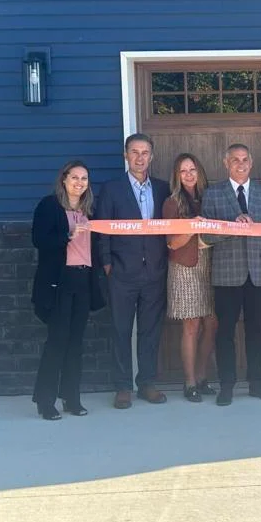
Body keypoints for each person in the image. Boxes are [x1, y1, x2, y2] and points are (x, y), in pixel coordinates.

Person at [201, 143, 261, 406]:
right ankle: (227, 384)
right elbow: (205, 235)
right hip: (227, 274)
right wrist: (230, 228)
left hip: (258, 274)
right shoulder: (212, 194)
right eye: (235, 160)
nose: (240, 164)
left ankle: (257, 382)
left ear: (251, 162)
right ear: (226, 163)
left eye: (245, 159)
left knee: (256, 330)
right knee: (225, 332)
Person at [95, 133, 170, 409]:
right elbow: (102, 228)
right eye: (134, 152)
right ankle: (122, 386)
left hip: (154, 271)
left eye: (145, 152)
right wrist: (106, 262)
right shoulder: (112, 189)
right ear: (126, 155)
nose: (140, 158)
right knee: (120, 329)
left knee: (150, 331)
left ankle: (147, 382)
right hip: (121, 272)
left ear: (152, 156)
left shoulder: (163, 188)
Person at [30, 160, 105, 420]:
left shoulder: (89, 210)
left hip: (83, 281)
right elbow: (39, 240)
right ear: (64, 179)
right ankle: (45, 401)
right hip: (59, 283)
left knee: (76, 344)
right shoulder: (50, 206)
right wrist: (69, 234)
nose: (79, 183)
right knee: (57, 342)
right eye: (75, 177)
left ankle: (71, 398)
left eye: (84, 179)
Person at [163, 153, 217, 402]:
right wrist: (192, 228)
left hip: (210, 265)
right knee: (191, 325)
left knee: (212, 323)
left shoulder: (210, 198)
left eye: (192, 169)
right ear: (176, 175)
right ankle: (189, 383)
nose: (189, 174)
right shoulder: (172, 203)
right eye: (183, 171)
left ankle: (202, 376)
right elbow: (172, 243)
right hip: (185, 267)